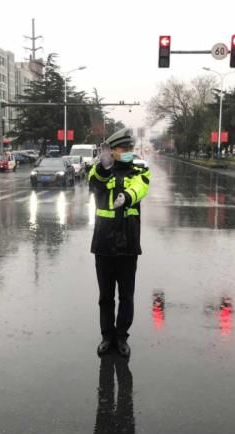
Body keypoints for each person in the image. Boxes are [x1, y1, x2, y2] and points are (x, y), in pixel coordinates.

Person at [88, 128, 151, 357]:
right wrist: (104, 169)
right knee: (105, 296)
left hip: (128, 243)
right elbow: (95, 185)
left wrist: (128, 196)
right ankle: (107, 336)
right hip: (104, 244)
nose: (128, 152)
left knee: (126, 295)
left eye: (129, 149)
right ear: (111, 151)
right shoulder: (98, 169)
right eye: (123, 149)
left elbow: (141, 186)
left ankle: (122, 337)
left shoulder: (138, 167)